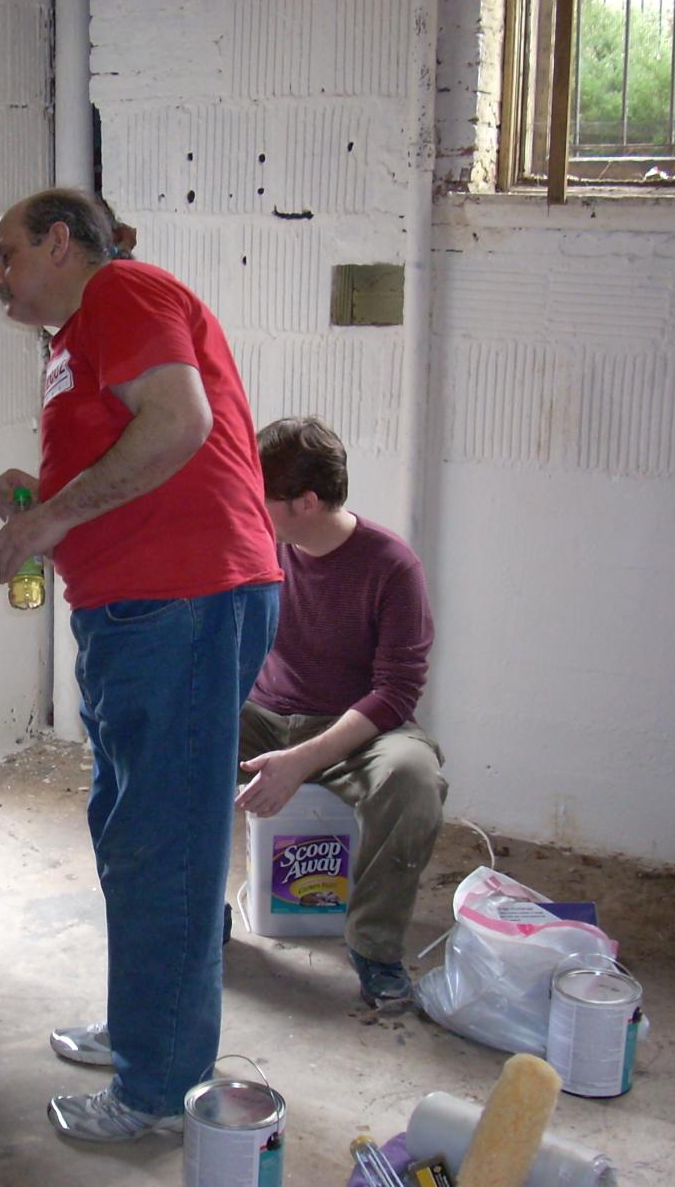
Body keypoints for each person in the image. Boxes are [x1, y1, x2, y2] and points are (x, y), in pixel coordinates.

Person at [0, 188, 281, 1142]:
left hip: (182, 600)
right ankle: (145, 1029)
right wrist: (41, 494)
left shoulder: (121, 289)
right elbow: (130, 454)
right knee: (131, 831)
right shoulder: (80, 336)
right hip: (147, 607)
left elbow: (179, 422)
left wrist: (50, 516)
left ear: (60, 243)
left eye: (6, 253)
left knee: (165, 846)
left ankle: (158, 1091)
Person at [235, 417, 447, 1008]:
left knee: (414, 778)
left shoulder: (392, 567)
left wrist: (301, 761)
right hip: (264, 715)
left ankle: (375, 947)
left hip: (356, 729)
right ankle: (197, 915)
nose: (248, 503)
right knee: (179, 742)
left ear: (305, 503)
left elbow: (396, 692)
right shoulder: (258, 543)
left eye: (260, 493)